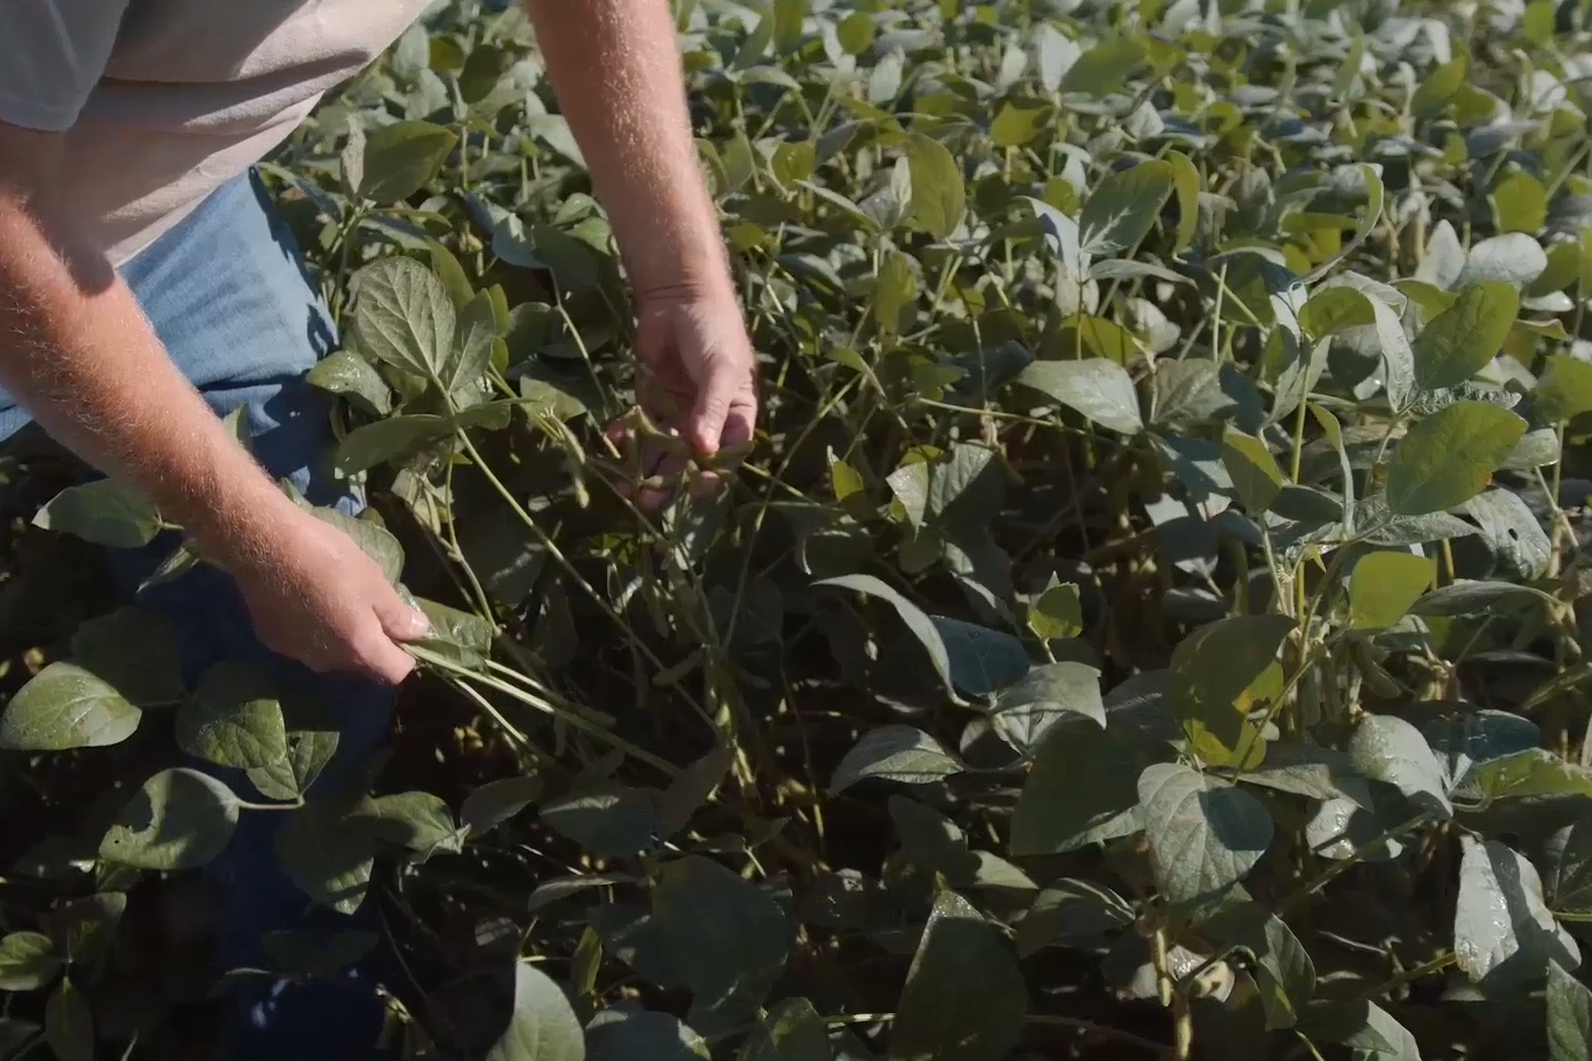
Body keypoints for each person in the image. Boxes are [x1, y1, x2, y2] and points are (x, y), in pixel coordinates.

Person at [0, 2, 759, 1058]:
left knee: (323, 637)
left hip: (163, 205)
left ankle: (300, 998)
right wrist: (249, 531)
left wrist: (681, 274)